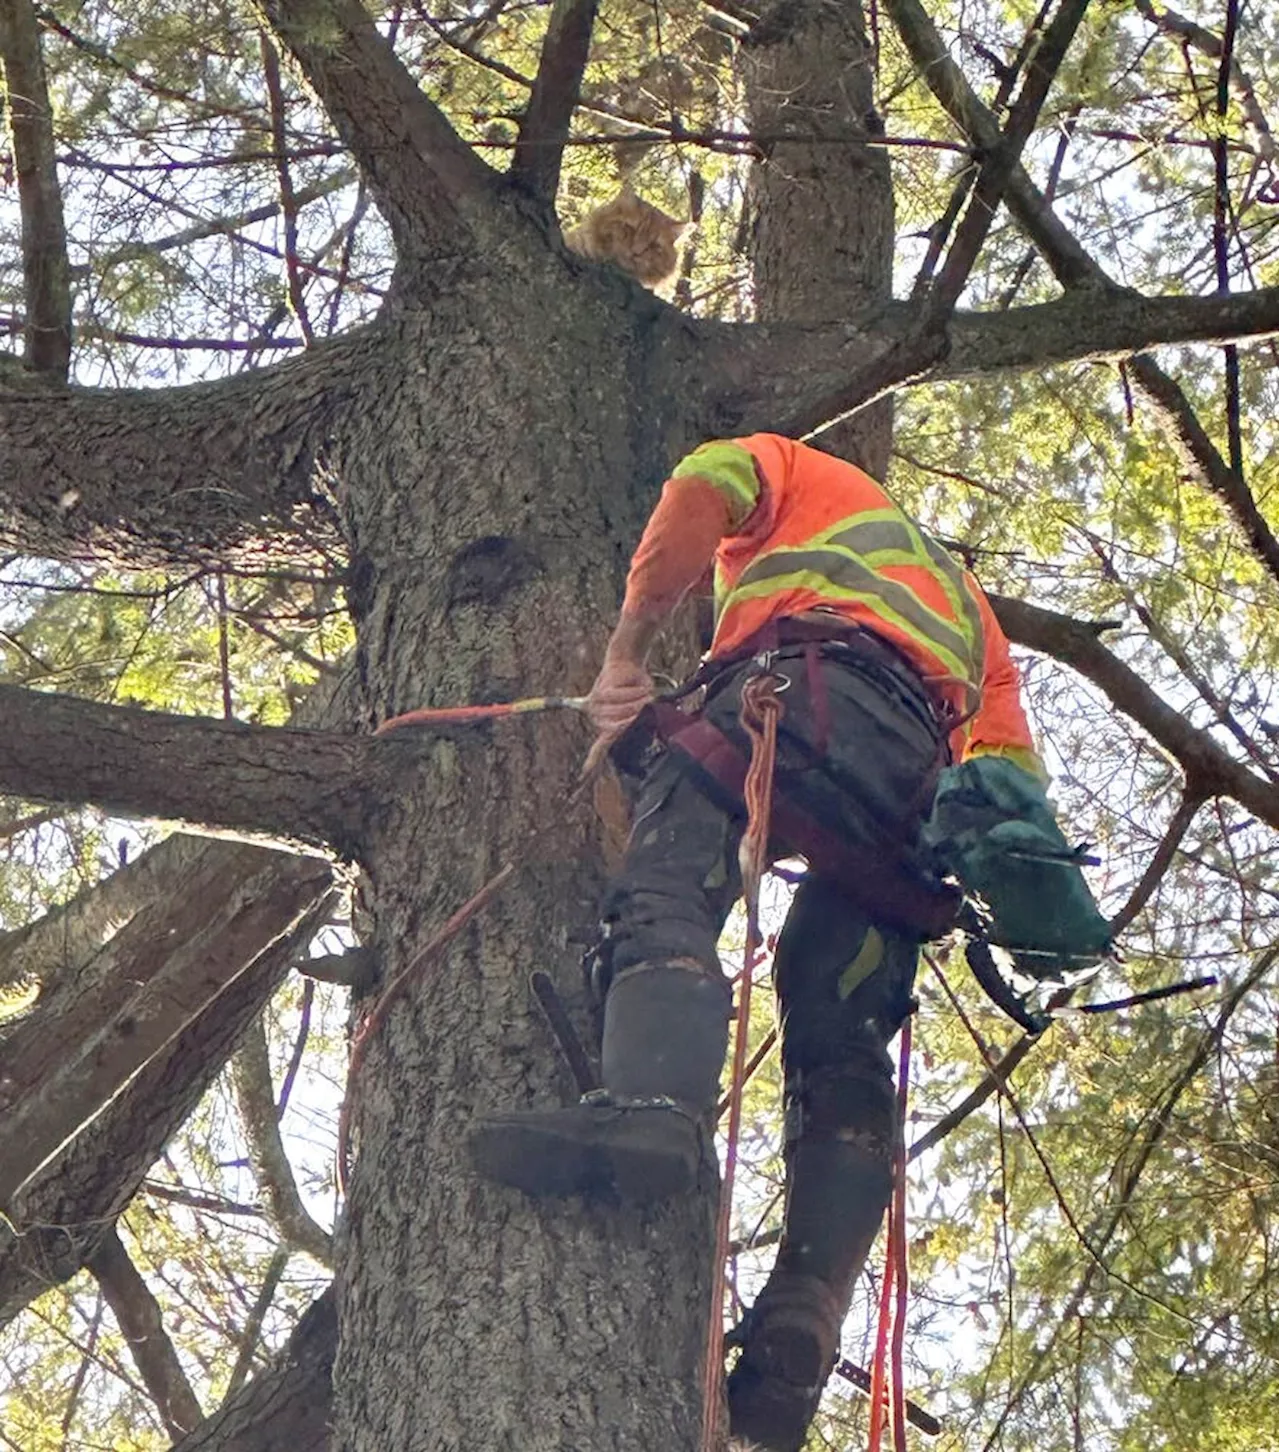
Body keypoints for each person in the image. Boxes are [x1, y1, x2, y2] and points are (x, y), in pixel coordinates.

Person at [468, 434, 1108, 1451]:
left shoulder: (790, 468)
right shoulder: (968, 615)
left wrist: (625, 656)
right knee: (842, 1026)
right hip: (904, 787)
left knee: (673, 870)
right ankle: (802, 1316)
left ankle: (649, 1111)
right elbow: (1006, 783)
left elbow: (697, 494)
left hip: (803, 692)